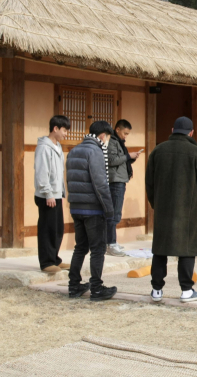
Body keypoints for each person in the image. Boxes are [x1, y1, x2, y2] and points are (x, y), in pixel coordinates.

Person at [146, 117, 197, 303]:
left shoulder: (158, 150)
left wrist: (154, 203)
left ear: (173, 129)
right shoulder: (196, 152)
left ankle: (157, 290)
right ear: (191, 133)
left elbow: (149, 182)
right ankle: (186, 290)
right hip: (188, 209)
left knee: (160, 249)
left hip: (163, 208)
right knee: (187, 248)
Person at [65, 121, 116, 301]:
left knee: (80, 248)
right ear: (103, 136)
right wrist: (109, 210)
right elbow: (100, 183)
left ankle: (74, 286)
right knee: (97, 249)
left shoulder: (73, 151)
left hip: (76, 207)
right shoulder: (95, 151)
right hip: (93, 209)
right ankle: (96, 288)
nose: (107, 141)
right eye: (108, 138)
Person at [35, 115, 71, 274]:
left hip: (56, 195)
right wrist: (48, 193)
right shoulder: (44, 147)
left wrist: (60, 193)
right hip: (46, 196)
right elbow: (42, 173)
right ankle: (46, 262)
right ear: (55, 128)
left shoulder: (57, 146)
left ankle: (54, 258)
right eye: (64, 130)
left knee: (57, 229)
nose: (66, 134)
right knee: (47, 229)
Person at [106, 119, 141, 257]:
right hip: (115, 181)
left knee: (115, 213)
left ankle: (111, 242)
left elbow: (121, 159)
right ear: (117, 129)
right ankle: (110, 243)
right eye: (125, 133)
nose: (125, 136)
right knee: (113, 214)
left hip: (120, 180)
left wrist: (131, 157)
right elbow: (112, 160)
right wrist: (128, 156)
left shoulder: (119, 142)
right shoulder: (113, 142)